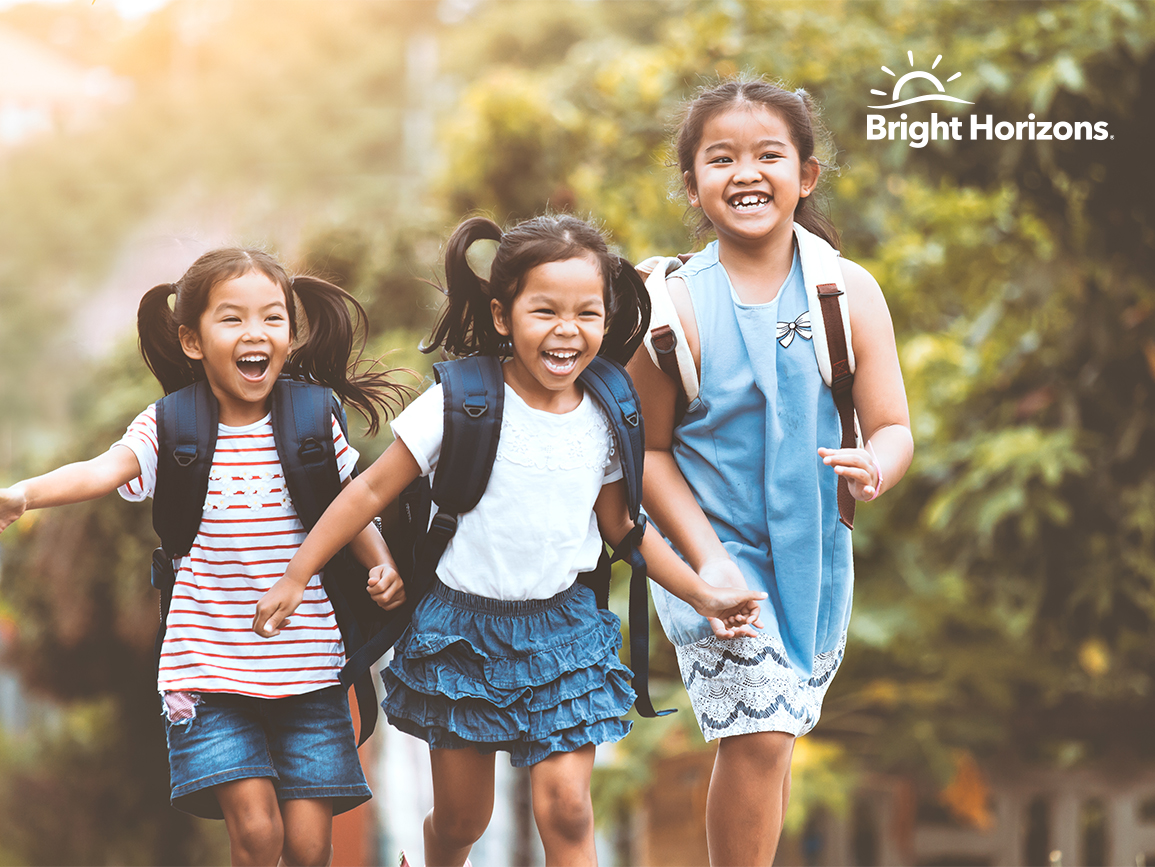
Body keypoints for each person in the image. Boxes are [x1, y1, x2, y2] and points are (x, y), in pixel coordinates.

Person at [254, 214, 767, 867]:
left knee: (568, 808)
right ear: (502, 316)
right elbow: (366, 492)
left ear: (606, 320)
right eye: (544, 310)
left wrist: (702, 591)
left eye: (586, 312)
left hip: (565, 633)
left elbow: (623, 530)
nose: (566, 329)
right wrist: (298, 573)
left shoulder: (607, 413)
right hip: (463, 632)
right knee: (466, 817)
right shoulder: (460, 402)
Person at [0, 248, 408, 867]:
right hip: (209, 670)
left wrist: (379, 560)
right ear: (192, 340)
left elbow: (352, 500)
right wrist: (24, 494)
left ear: (291, 335)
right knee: (257, 834)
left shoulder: (311, 416)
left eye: (272, 318)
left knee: (308, 848)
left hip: (309, 671)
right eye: (232, 319)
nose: (255, 334)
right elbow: (101, 470)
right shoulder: (172, 426)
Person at [626, 78, 914, 865]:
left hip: (813, 556)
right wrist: (707, 561)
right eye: (720, 158)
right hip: (708, 549)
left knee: (774, 736)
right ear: (692, 184)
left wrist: (875, 466)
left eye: (768, 154)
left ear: (806, 175)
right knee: (756, 732)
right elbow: (645, 452)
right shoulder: (671, 307)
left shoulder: (846, 293)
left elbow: (892, 426)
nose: (745, 172)